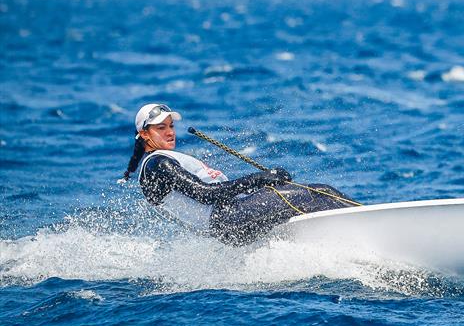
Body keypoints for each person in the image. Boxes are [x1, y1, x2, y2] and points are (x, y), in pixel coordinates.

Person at [121, 103, 353, 245]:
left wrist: (259, 183)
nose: (170, 132)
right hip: (228, 219)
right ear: (144, 134)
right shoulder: (157, 164)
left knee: (312, 201)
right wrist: (259, 179)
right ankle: (377, 226)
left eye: (171, 126)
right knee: (321, 192)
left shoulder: (163, 159)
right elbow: (205, 194)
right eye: (161, 128)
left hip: (231, 220)